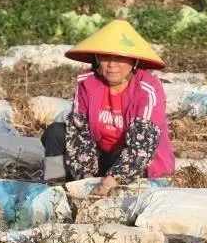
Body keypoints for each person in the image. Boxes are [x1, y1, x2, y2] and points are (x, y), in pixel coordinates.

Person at [41, 19, 174, 197]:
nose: (112, 64)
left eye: (120, 57)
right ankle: (53, 187)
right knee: (55, 133)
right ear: (96, 59)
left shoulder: (146, 89)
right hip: (100, 156)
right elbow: (79, 133)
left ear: (134, 61)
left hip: (135, 163)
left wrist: (108, 183)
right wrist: (86, 180)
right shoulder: (87, 83)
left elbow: (141, 146)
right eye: (105, 57)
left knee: (120, 156)